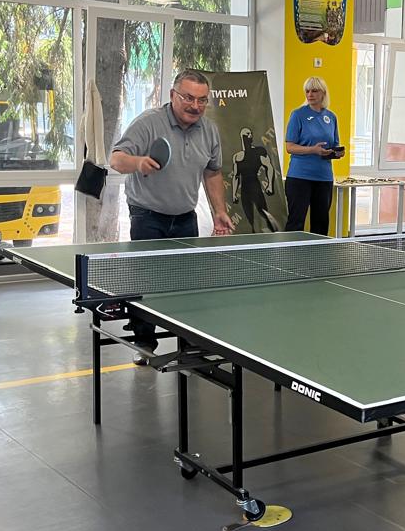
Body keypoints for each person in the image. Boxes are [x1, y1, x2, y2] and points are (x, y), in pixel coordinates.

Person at [110, 68, 232, 363]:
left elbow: (213, 172)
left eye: (202, 100)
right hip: (147, 215)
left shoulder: (209, 130)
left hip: (185, 215)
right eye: (188, 98)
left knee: (186, 285)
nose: (195, 106)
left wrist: (219, 211)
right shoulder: (148, 123)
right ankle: (144, 342)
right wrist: (138, 162)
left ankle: (189, 343)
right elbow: (116, 159)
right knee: (146, 282)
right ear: (172, 95)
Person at [284, 77, 343, 235]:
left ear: (323, 93)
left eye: (314, 91)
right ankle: (290, 250)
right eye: (307, 91)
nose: (310, 94)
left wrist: (336, 152)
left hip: (324, 178)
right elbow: (290, 147)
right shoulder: (297, 115)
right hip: (299, 177)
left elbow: (334, 143)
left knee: (321, 223)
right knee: (296, 221)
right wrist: (313, 150)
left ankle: (318, 251)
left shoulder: (331, 117)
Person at [231, 127, 281, 233]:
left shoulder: (259, 152)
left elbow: (269, 167)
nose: (250, 136)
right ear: (242, 137)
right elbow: (236, 176)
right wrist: (234, 193)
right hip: (245, 191)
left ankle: (273, 234)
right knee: (249, 217)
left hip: (256, 188)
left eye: (251, 134)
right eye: (247, 134)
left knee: (264, 213)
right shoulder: (237, 157)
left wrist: (270, 185)